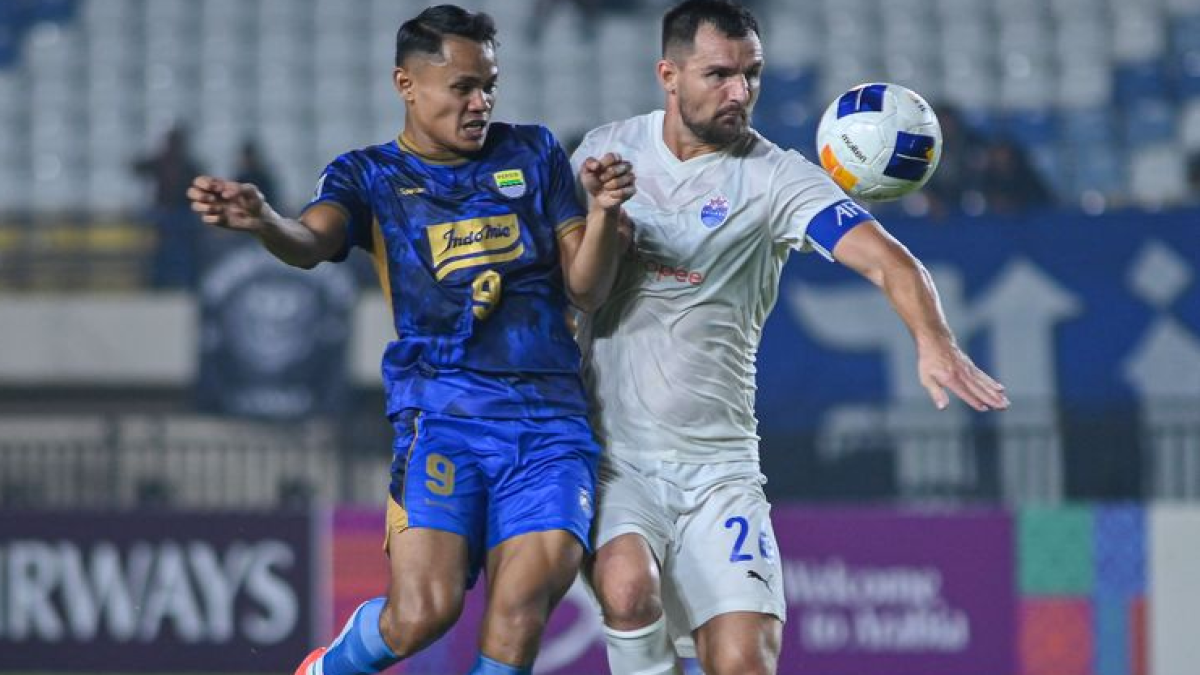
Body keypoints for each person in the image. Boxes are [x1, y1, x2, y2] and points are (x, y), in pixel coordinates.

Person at [187, 6, 634, 675]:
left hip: (550, 422)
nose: (481, 101)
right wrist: (266, 222)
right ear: (406, 84)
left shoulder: (534, 153)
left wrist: (601, 216)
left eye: (489, 84)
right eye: (462, 87)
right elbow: (312, 242)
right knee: (424, 612)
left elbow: (588, 289)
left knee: (523, 603)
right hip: (443, 415)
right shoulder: (367, 176)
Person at [569, 2, 1010, 674]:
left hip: (721, 470)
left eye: (752, 75)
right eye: (719, 74)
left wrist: (934, 339)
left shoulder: (777, 179)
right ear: (668, 74)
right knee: (628, 590)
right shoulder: (606, 152)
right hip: (616, 458)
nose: (739, 92)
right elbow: (566, 282)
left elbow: (891, 260)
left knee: (746, 661)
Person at [133, 123, 204, 289]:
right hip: (164, 215)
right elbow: (137, 167)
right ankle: (158, 284)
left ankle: (186, 283)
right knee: (160, 252)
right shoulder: (161, 162)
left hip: (182, 215)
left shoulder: (188, 165)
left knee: (183, 253)